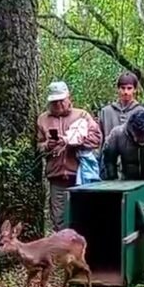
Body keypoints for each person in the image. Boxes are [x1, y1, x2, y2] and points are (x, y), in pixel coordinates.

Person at [36, 81, 102, 231]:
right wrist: (48, 145)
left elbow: (96, 139)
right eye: (54, 101)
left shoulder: (82, 116)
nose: (58, 104)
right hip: (57, 178)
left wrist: (75, 141)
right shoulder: (43, 119)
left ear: (68, 98)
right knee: (59, 221)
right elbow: (38, 146)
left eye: (61, 100)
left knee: (84, 218)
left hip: (80, 176)